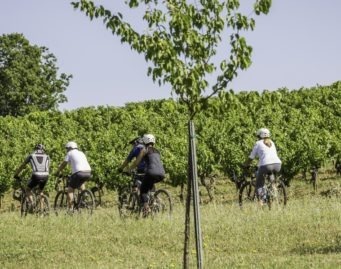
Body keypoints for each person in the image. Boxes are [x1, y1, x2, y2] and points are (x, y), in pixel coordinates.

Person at [127, 134, 165, 214]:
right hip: (161, 173)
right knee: (149, 187)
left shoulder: (144, 150)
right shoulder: (157, 151)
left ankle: (146, 207)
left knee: (143, 190)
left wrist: (130, 169)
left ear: (144, 141)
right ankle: (155, 201)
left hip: (151, 172)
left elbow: (136, 162)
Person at [244, 128, 281, 204]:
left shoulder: (258, 143)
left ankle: (261, 202)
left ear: (259, 136)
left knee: (259, 184)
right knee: (270, 174)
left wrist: (245, 164)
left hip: (266, 165)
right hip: (278, 164)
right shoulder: (272, 142)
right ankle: (273, 188)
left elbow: (251, 157)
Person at [55, 141, 91, 209]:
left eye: (67, 148)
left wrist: (58, 171)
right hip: (88, 172)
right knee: (81, 183)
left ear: (70, 148)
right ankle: (84, 196)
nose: (67, 150)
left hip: (78, 172)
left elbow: (64, 164)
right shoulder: (81, 153)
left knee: (70, 189)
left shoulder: (70, 153)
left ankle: (70, 209)